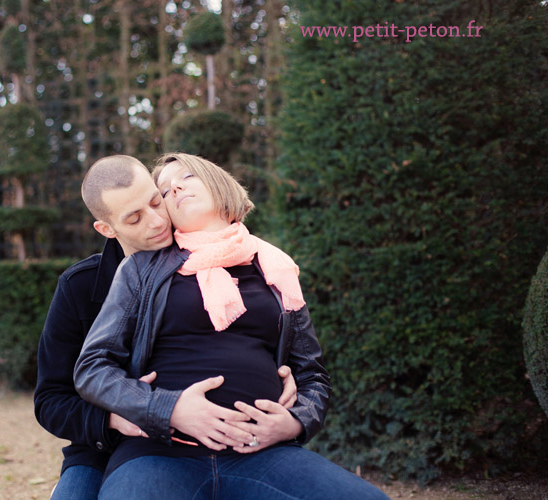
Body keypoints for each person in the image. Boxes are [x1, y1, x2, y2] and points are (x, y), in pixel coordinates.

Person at [74, 153, 390, 500]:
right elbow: (92, 367)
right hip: (159, 453)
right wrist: (168, 408)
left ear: (217, 181)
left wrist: (296, 421)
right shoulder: (142, 270)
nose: (174, 187)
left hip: (261, 454)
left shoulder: (275, 268)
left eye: (187, 176)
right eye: (164, 190)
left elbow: (312, 373)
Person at [34, 154, 299, 500]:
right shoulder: (79, 287)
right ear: (107, 229)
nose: (158, 221)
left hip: (216, 445)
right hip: (105, 446)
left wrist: (282, 368)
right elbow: (51, 400)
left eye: (156, 201)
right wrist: (114, 419)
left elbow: (248, 331)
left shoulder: (205, 256)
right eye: (134, 218)